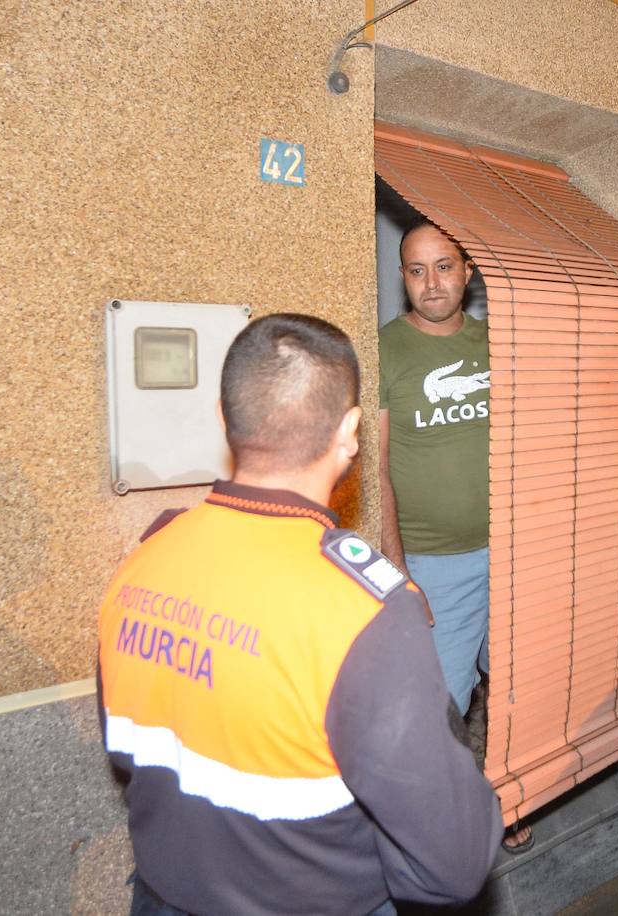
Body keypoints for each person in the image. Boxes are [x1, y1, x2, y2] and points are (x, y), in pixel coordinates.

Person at [98, 314, 500, 916]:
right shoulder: (363, 611)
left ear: (223, 419)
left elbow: (128, 751)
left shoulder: (145, 562)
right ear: (350, 433)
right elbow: (454, 862)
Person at [378, 221, 532, 853]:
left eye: (444, 267)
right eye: (417, 270)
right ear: (402, 276)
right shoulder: (386, 350)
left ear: (468, 272)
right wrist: (398, 568)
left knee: (517, 685)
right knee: (441, 702)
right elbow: (377, 467)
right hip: (435, 563)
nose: (431, 283)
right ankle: (446, 829)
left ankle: (514, 795)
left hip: (515, 549)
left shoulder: (498, 342)